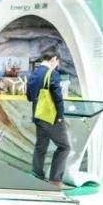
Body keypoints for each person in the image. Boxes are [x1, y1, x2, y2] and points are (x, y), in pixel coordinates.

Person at [26, 48, 70, 187]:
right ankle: (55, 180)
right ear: (54, 59)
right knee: (64, 147)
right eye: (57, 62)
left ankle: (37, 176)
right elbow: (58, 97)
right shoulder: (52, 73)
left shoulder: (34, 73)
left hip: (38, 116)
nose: (57, 65)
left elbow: (29, 96)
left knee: (41, 146)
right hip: (51, 117)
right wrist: (60, 116)